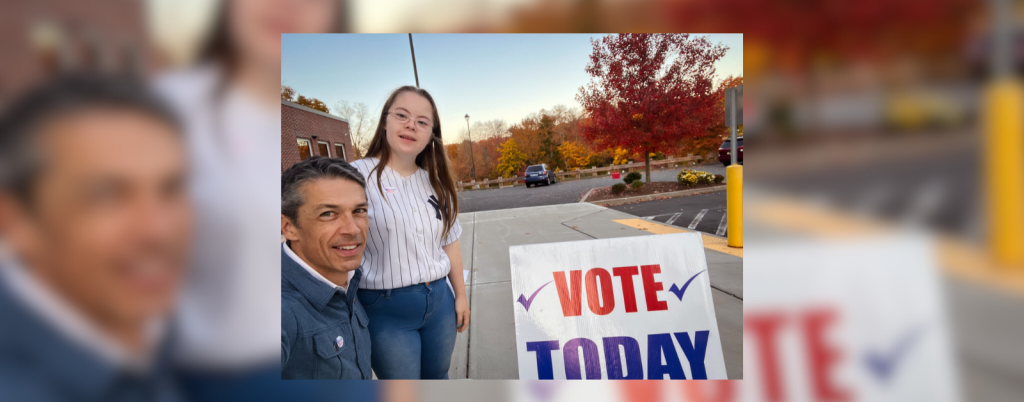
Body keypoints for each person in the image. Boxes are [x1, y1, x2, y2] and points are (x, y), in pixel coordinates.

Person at [0, 74, 192, 401]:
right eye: (106, 195)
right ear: (15, 222)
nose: (159, 229)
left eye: (171, 189)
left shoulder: (160, 337)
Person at [350, 86, 469, 379]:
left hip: (440, 301)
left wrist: (461, 296)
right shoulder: (356, 176)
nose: (410, 125)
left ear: (431, 134)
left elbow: (449, 241)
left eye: (422, 121)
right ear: (385, 121)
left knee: (438, 378)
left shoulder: (435, 182)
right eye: (402, 115)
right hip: (386, 309)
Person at [280, 157, 372, 379]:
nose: (352, 228)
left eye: (359, 210)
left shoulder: (348, 278)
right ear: (288, 227)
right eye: (328, 214)